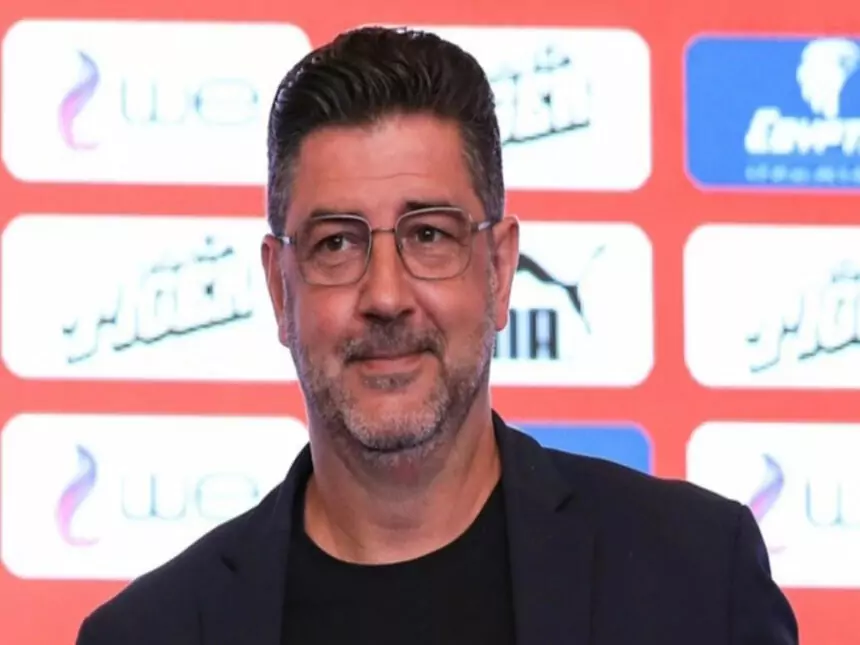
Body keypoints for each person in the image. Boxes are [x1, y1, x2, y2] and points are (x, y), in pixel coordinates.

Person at [75, 26, 799, 645]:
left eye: (428, 235)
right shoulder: (152, 631)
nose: (386, 296)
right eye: (336, 243)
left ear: (500, 269)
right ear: (279, 289)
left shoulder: (699, 575)